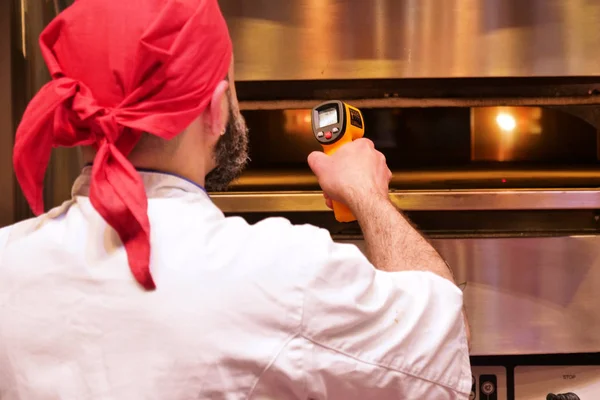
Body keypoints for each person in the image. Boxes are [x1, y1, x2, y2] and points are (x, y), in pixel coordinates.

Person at [0, 0, 472, 398]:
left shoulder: (8, 262)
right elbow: (442, 342)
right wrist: (370, 197)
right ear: (214, 106)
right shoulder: (283, 273)